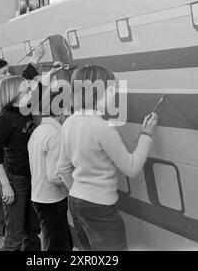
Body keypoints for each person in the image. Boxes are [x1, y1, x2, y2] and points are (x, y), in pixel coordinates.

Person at [56, 65, 158, 251]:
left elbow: (63, 168)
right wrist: (146, 135)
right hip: (101, 209)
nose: (114, 94)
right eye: (111, 89)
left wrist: (80, 193)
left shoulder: (68, 122)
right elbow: (132, 168)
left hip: (76, 202)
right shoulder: (104, 128)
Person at [0, 46, 47, 238]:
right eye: (0, 78)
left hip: (0, 165)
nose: (5, 79)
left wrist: (35, 64)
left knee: (5, 212)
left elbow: (20, 88)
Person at [0, 75, 41, 251]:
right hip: (15, 180)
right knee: (14, 234)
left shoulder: (25, 112)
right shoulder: (5, 118)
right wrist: (6, 185)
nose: (29, 92)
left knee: (31, 229)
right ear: (14, 93)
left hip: (30, 176)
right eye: (26, 89)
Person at [28, 90, 73, 251]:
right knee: (56, 245)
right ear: (61, 111)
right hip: (52, 199)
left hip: (40, 196)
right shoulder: (56, 135)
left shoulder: (39, 131)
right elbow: (55, 176)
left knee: (59, 241)